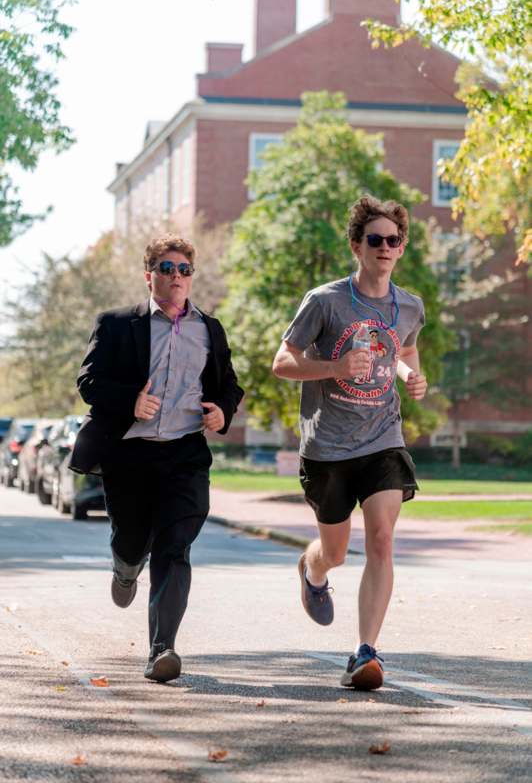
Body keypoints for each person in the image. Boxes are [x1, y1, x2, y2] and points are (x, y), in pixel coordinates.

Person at [71, 234, 243, 683]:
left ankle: (162, 647)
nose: (176, 277)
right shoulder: (116, 324)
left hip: (184, 454)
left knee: (175, 547)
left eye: (184, 270)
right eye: (167, 268)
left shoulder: (211, 329)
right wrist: (130, 401)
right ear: (149, 275)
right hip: (129, 454)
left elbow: (229, 385)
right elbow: (88, 382)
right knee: (132, 539)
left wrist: (222, 411)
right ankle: (126, 566)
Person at [272, 195, 427, 691]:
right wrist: (336, 367)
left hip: (383, 437)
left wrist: (411, 376)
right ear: (357, 247)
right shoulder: (325, 301)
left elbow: (403, 347)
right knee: (336, 551)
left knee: (381, 537)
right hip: (328, 447)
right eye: (376, 239)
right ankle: (313, 568)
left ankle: (365, 652)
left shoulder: (410, 305)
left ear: (401, 249)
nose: (386, 247)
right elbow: (282, 361)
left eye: (394, 240)